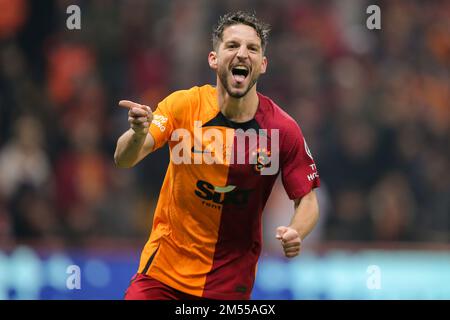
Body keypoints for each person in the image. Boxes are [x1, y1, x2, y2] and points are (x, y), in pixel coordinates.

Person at [115, 11, 320, 300]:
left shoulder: (282, 129)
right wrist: (137, 134)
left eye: (252, 48)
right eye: (232, 46)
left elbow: (308, 198)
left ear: (262, 65)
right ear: (214, 58)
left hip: (229, 286)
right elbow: (124, 159)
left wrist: (297, 231)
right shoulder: (182, 106)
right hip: (163, 274)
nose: (242, 54)